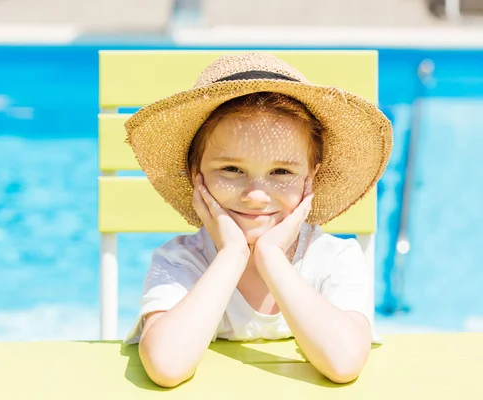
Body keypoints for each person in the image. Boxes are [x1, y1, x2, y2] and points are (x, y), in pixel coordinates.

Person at [122, 52, 393, 387]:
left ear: (311, 178)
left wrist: (270, 257)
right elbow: (166, 366)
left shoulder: (334, 259)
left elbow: (344, 362)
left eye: (281, 171)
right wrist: (232, 254)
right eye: (231, 169)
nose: (256, 195)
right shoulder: (182, 262)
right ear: (196, 176)